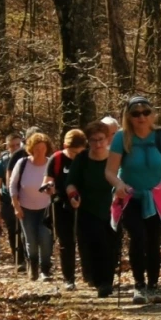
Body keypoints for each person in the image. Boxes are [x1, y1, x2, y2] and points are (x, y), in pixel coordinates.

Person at [105, 96, 161, 304]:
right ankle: (139, 286)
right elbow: (109, 171)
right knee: (138, 237)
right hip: (129, 196)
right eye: (136, 114)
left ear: (152, 114)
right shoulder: (121, 137)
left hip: (155, 196)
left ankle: (153, 286)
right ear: (128, 116)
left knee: (153, 240)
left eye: (145, 112)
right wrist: (118, 185)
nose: (141, 117)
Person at [66, 122, 119, 296]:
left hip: (113, 209)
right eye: (94, 140)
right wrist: (73, 195)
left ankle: (107, 280)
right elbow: (71, 183)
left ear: (107, 139)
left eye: (101, 139)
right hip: (88, 209)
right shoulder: (82, 159)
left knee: (112, 246)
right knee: (96, 244)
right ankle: (101, 282)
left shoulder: (115, 157)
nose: (98, 144)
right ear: (88, 141)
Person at [10, 132, 55, 281]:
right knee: (31, 240)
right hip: (26, 208)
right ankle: (33, 267)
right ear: (31, 149)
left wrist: (52, 190)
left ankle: (45, 270)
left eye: (42, 148)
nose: (40, 152)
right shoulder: (22, 163)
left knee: (45, 239)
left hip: (46, 209)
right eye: (36, 149)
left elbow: (57, 185)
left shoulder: (51, 163)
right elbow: (12, 185)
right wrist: (16, 206)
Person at [48, 129, 88, 291]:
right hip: (62, 205)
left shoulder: (88, 158)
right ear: (65, 146)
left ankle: (89, 275)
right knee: (66, 242)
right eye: (73, 152)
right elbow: (48, 180)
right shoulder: (57, 159)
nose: (76, 156)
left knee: (86, 240)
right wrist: (49, 187)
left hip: (86, 205)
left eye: (79, 152)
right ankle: (69, 278)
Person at [0, 133, 25, 269]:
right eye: (12, 146)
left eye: (18, 145)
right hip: (8, 201)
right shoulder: (2, 163)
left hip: (27, 200)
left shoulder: (28, 158)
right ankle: (19, 260)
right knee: (13, 231)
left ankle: (31, 259)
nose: (16, 148)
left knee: (26, 230)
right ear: (7, 147)